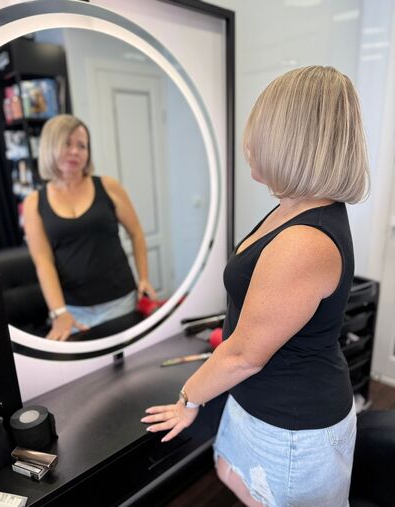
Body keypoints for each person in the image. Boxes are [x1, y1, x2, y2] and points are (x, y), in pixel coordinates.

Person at [141, 66, 370, 507]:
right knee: (231, 474)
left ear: (292, 142)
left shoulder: (306, 240)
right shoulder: (294, 206)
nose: (249, 144)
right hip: (258, 399)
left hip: (292, 426)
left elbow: (244, 355)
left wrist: (188, 399)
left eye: (260, 133)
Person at [23, 114, 156, 341]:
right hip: (73, 312)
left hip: (120, 301)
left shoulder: (108, 186)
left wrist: (144, 277)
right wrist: (59, 312)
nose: (75, 151)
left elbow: (136, 233)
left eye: (82, 146)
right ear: (50, 147)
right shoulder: (33, 203)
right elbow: (43, 263)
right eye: (67, 143)